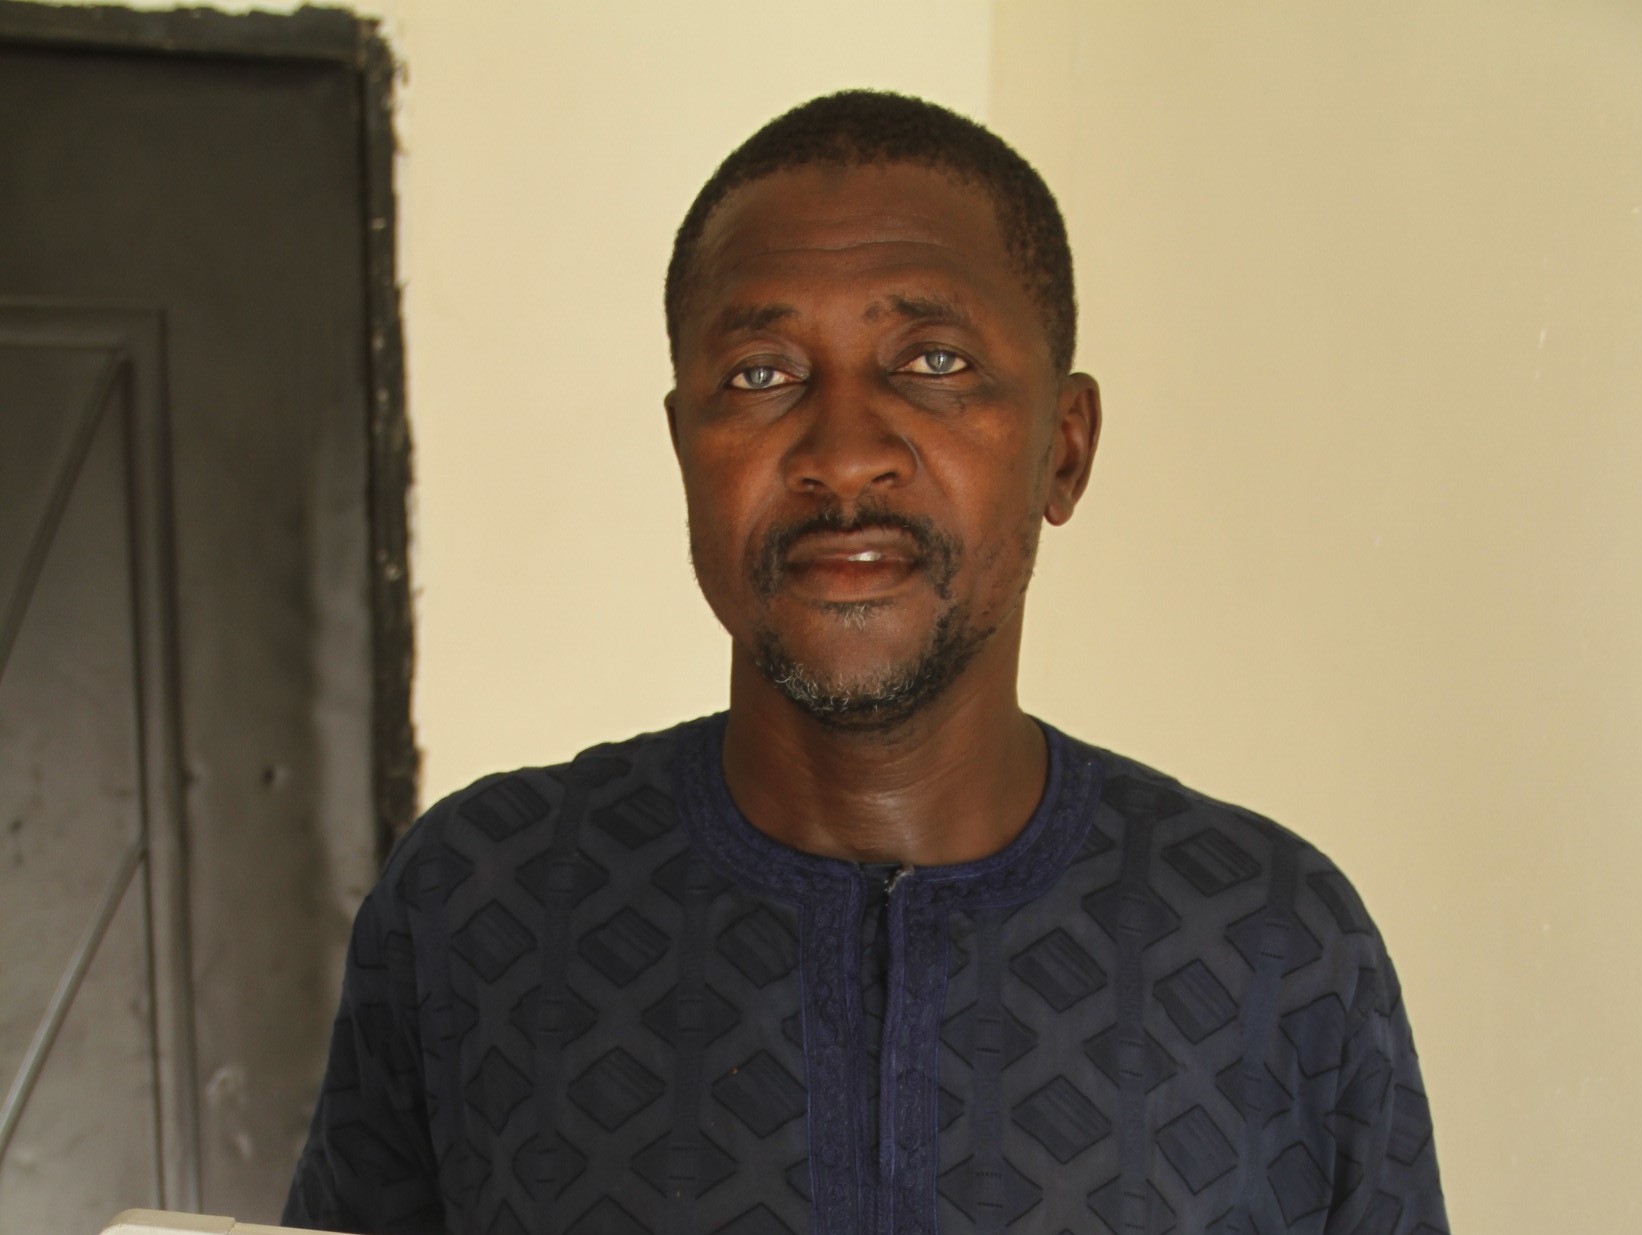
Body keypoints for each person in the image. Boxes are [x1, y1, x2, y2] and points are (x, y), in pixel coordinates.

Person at [283, 91, 1448, 1235]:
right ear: (686, 449)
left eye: (934, 361)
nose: (843, 456)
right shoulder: (478, 903)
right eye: (761, 373)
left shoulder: (1274, 944)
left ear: (1065, 449)